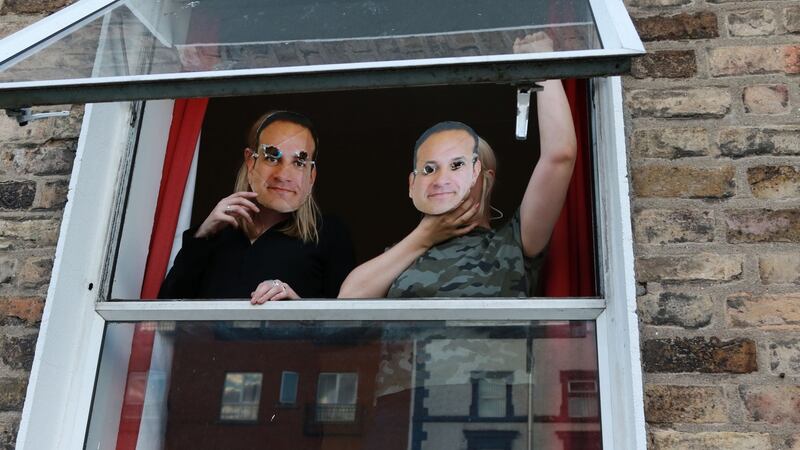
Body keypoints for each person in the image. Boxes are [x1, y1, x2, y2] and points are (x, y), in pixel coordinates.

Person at [338, 33, 576, 299]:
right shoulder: (402, 255)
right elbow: (348, 301)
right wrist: (424, 237)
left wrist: (542, 62)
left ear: (485, 178)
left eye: (457, 165)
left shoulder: (513, 243)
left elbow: (560, 155)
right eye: (429, 169)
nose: (441, 178)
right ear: (411, 184)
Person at [159, 111, 355, 303]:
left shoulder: (326, 233)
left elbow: (345, 325)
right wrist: (202, 235)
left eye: (299, 163)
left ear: (311, 175)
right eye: (271, 157)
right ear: (250, 161)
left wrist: (296, 307)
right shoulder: (218, 235)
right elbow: (162, 316)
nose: (283, 175)